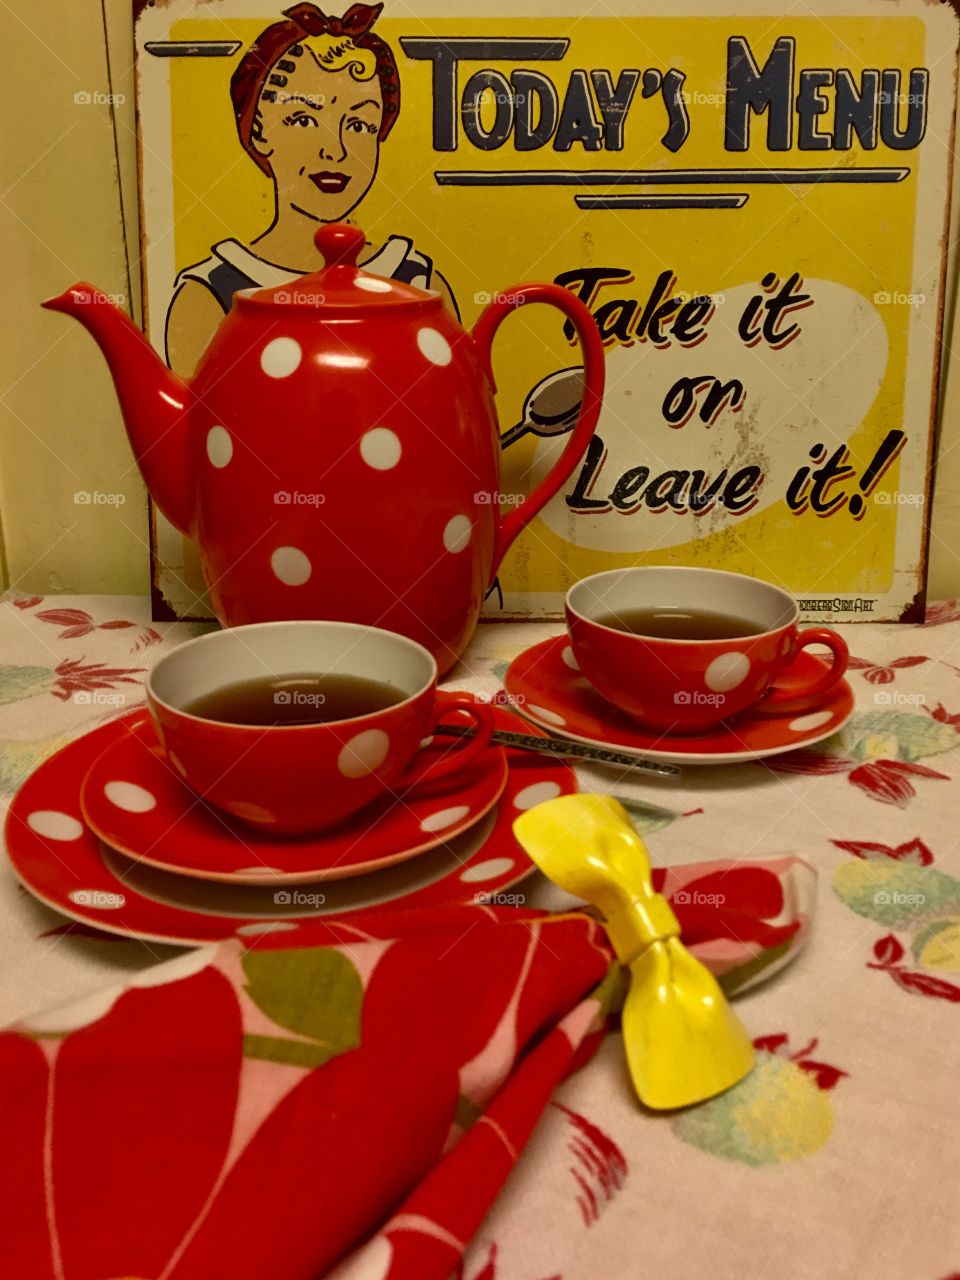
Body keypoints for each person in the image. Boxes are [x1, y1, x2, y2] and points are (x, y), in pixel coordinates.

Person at [165, 2, 457, 375]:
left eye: (359, 125)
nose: (334, 150)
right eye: (303, 119)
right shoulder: (208, 296)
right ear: (258, 132)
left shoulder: (420, 282)